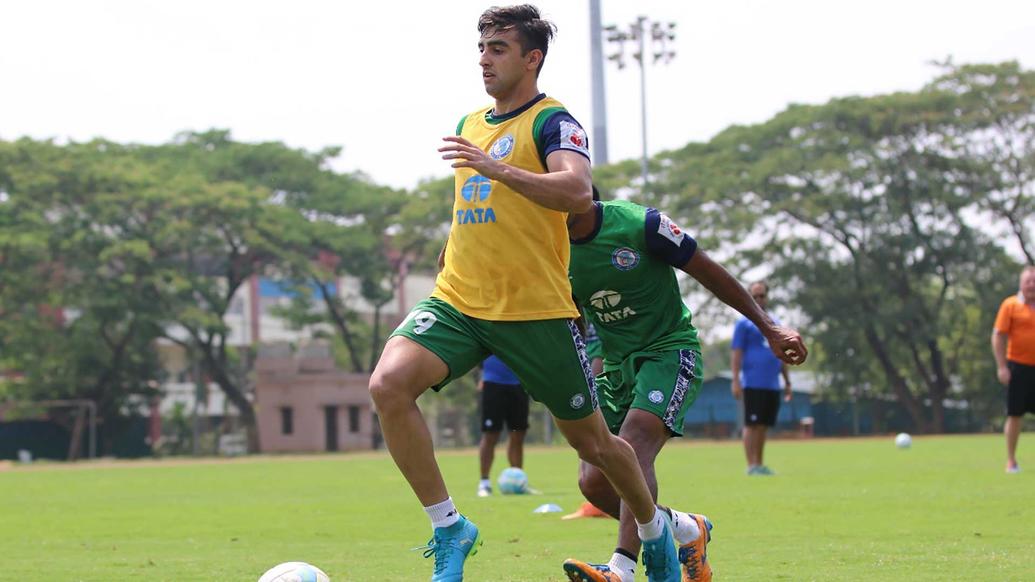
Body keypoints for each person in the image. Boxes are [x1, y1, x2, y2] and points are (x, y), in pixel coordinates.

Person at [368, 6, 681, 581]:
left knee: (596, 447)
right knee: (388, 384)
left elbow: (576, 191)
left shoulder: (553, 123)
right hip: (460, 300)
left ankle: (655, 531)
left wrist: (498, 167)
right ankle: (449, 527)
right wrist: (451, 247)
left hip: (535, 311)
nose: (484, 58)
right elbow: (477, 207)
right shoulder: (470, 122)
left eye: (499, 48)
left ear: (532, 58)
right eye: (482, 47)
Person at [561, 192, 808, 582]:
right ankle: (687, 529)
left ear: (578, 192)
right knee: (592, 481)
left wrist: (768, 326)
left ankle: (621, 568)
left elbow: (707, 269)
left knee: (634, 442)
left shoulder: (639, 225)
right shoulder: (549, 246)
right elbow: (570, 312)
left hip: (668, 352)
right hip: (615, 366)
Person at [730, 281, 793, 476]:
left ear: (768, 297)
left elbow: (781, 354)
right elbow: (736, 353)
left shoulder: (774, 323)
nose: (759, 300)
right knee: (752, 424)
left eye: (762, 296)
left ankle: (760, 463)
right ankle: (751, 465)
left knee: (764, 425)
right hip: (753, 382)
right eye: (754, 296)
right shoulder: (744, 323)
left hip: (772, 384)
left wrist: (787, 381)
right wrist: (735, 380)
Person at [992, 265, 1035, 474]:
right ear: (1021, 283)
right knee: (1015, 414)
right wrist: (1001, 367)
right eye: (1029, 281)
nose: (1032, 285)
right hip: (1018, 366)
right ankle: (1011, 460)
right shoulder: (1010, 305)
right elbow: (998, 335)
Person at [476, 354, 529, 496]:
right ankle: (484, 483)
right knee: (491, 434)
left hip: (519, 384)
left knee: (518, 434)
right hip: (492, 383)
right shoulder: (489, 331)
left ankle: (519, 482)